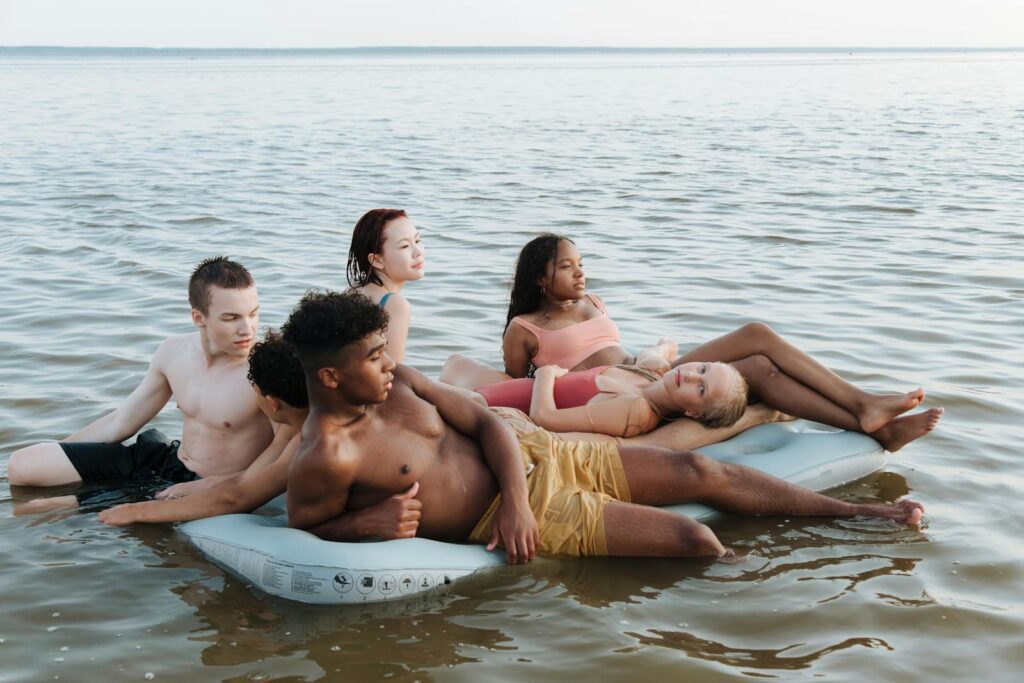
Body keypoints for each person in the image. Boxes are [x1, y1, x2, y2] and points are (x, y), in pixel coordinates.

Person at [284, 290, 924, 564]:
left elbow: (484, 420)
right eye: (371, 357)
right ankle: (762, 585)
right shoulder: (328, 455)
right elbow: (306, 524)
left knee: (700, 471)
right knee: (695, 543)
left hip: (538, 451)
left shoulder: (402, 382)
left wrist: (513, 500)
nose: (387, 360)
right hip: (531, 508)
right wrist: (362, 525)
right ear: (331, 378)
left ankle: (856, 519)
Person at [442, 234, 943, 452]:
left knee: (760, 352)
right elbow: (520, 387)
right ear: (539, 279)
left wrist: (657, 355)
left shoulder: (594, 299)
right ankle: (867, 414)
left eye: (580, 262)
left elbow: (617, 348)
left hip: (647, 372)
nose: (579, 272)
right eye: (566, 267)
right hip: (620, 392)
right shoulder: (524, 329)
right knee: (758, 351)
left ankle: (868, 413)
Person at [7, 257, 293, 490]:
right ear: (199, 318)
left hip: (210, 482)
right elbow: (122, 422)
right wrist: (62, 450)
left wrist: (226, 486)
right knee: (23, 466)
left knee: (49, 510)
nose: (248, 329)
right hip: (165, 462)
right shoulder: (173, 352)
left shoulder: (264, 367)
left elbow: (282, 448)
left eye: (253, 313)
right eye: (231, 318)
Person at [98, 330, 420, 536]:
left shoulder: (314, 442)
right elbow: (251, 476)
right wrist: (211, 483)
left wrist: (135, 511)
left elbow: (237, 497)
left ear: (273, 403)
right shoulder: (316, 419)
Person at [474, 362, 748, 437]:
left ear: (695, 414)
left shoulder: (635, 410)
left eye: (701, 389)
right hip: (500, 390)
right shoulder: (651, 379)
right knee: (455, 362)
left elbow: (544, 418)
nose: (690, 375)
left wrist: (546, 373)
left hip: (486, 405)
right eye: (702, 369)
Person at [346, 208, 425, 363]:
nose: (418, 252)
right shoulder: (394, 305)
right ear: (376, 260)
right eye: (404, 246)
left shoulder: (352, 291)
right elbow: (393, 373)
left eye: (417, 241)